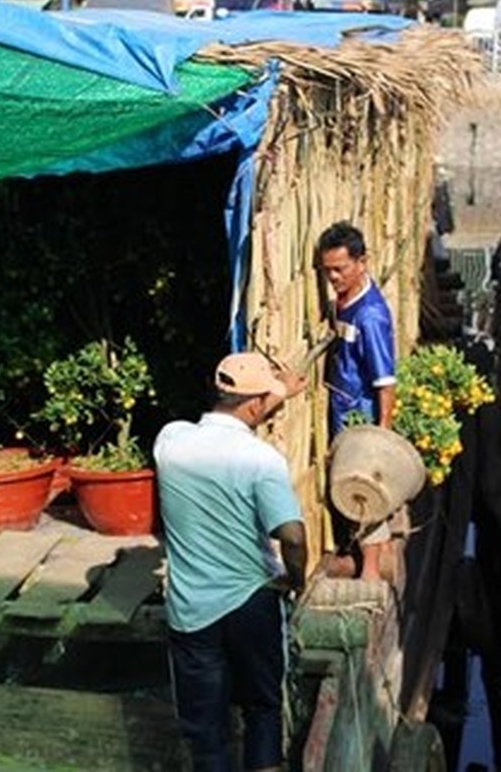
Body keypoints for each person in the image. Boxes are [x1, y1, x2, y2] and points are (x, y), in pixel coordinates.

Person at [154, 352, 309, 772]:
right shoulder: (261, 461)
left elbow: (238, 416)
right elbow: (291, 535)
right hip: (250, 604)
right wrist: (295, 578)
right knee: (262, 711)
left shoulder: (170, 442)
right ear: (257, 404)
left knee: (206, 735)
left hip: (191, 612)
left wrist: (279, 395)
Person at [317, 221, 398, 581]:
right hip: (344, 412)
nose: (332, 277)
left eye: (340, 269)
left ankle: (370, 574)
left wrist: (381, 437)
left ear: (361, 262)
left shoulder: (370, 315)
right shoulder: (346, 300)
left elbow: (385, 382)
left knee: (363, 490)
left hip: (360, 419)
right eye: (327, 270)